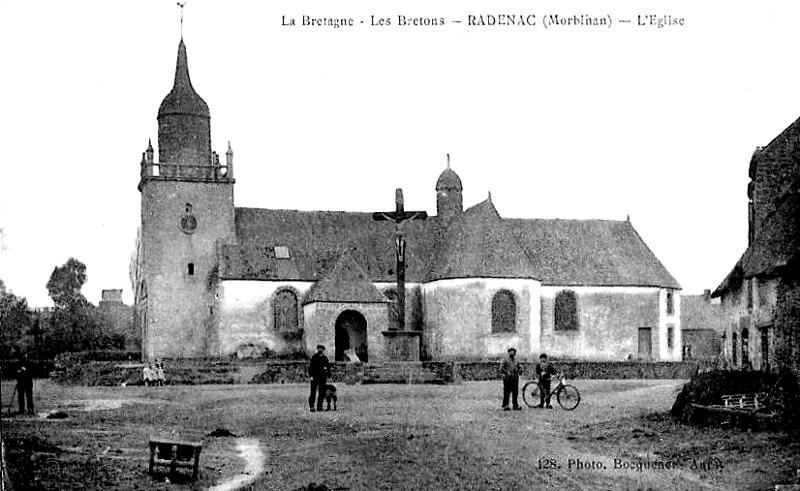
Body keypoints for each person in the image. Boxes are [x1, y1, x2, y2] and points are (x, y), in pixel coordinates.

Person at [308, 344, 331, 412]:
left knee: (321, 392)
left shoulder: (325, 358)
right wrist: (311, 376)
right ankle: (312, 406)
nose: (320, 350)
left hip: (322, 377)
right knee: (313, 392)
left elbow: (328, 367)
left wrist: (328, 374)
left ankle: (319, 406)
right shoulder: (314, 357)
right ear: (317, 349)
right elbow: (311, 367)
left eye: (321, 349)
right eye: (319, 348)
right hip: (315, 377)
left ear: (323, 350)